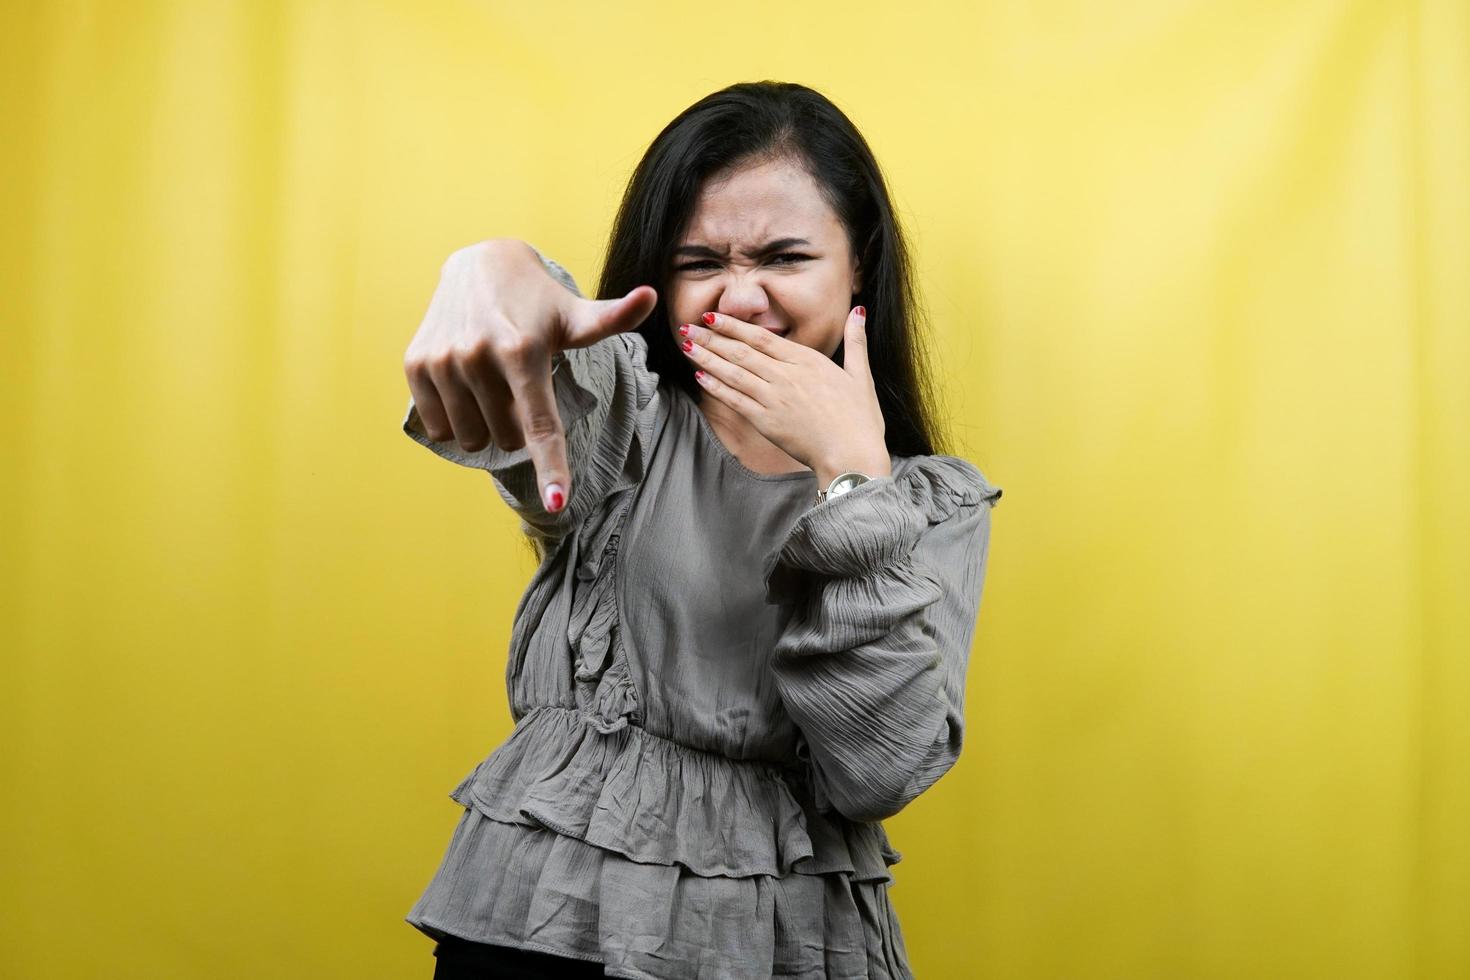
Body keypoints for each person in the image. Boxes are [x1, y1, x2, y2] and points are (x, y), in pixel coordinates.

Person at [399, 80, 1004, 980]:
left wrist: (852, 481)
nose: (740, 299)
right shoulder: (624, 419)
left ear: (860, 265)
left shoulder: (927, 505)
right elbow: (539, 357)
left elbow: (880, 769)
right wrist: (488, 269)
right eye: (698, 263)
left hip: (783, 944)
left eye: (785, 257)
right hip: (544, 926)